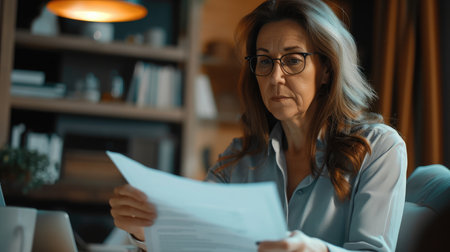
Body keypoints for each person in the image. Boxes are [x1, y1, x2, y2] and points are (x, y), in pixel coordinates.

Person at [109, 0, 407, 251]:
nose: (275, 77)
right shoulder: (238, 157)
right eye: (264, 62)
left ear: (327, 68)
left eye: (292, 60)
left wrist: (314, 249)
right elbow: (198, 239)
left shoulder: (379, 148)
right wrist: (143, 231)